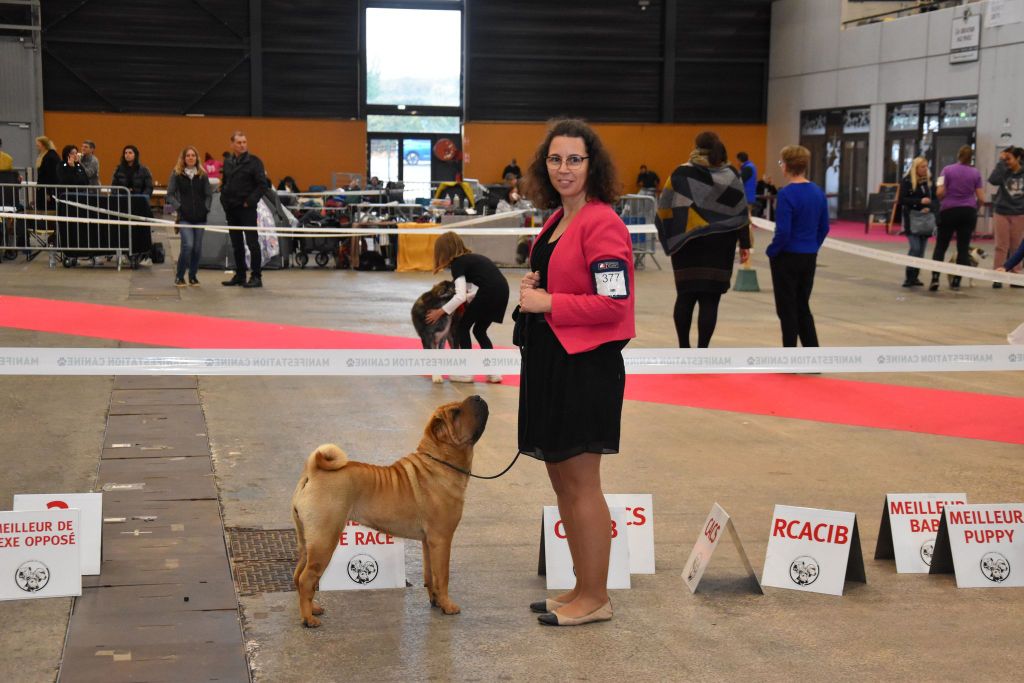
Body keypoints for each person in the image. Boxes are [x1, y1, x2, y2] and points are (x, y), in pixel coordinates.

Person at [518, 118, 635, 627]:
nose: (564, 168)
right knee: (563, 479)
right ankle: (581, 587)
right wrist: (535, 283)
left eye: (574, 159)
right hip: (552, 360)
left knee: (583, 484)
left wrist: (549, 301)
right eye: (555, 159)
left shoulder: (601, 220)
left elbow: (615, 303)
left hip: (585, 366)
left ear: (593, 165)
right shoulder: (558, 219)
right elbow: (567, 277)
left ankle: (597, 598)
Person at [657, 132, 751, 348]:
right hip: (721, 245)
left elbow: (665, 208)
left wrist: (672, 234)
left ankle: (684, 349)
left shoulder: (681, 174)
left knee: (685, 297)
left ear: (696, 146)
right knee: (711, 300)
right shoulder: (730, 174)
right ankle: (703, 352)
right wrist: (744, 243)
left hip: (686, 245)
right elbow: (740, 211)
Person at [426, 231, 510, 384]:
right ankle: (493, 372)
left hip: (489, 292)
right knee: (479, 331)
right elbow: (468, 292)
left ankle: (466, 372)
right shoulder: (470, 260)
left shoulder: (458, 264)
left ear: (444, 252)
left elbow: (460, 296)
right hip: (503, 291)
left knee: (463, 328)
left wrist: (440, 311)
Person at [766, 145, 829, 347]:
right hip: (809, 256)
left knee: (786, 309)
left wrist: (773, 251)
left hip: (787, 256)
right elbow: (824, 227)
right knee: (802, 305)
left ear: (786, 166)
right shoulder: (818, 192)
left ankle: (789, 356)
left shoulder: (786, 194)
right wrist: (812, 246)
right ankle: (812, 355)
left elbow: (783, 231)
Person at [932, 145, 986, 291]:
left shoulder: (946, 170)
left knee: (941, 246)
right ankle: (957, 280)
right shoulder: (976, 173)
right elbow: (981, 197)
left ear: (958, 155)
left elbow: (939, 193)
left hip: (949, 211)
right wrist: (975, 208)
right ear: (971, 157)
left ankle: (935, 278)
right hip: (968, 212)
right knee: (963, 248)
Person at [220, 130, 268, 288]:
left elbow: (263, 185)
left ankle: (256, 276)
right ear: (232, 144)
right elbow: (225, 181)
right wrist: (224, 199)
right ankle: (240, 275)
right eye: (239, 142)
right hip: (231, 208)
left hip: (247, 208)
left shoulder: (255, 162)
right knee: (236, 243)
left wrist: (250, 201)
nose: (242, 145)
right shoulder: (228, 162)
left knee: (252, 243)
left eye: (244, 142)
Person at [167, 145, 212, 287]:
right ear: (184, 158)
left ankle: (193, 276)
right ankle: (180, 276)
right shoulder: (176, 174)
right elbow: (169, 195)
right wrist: (179, 207)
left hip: (200, 217)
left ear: (196, 158)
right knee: (188, 246)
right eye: (188, 155)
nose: (190, 158)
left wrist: (206, 208)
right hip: (184, 217)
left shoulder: (203, 175)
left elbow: (208, 195)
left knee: (197, 248)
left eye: (193, 155)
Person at [988, 146, 1024, 288]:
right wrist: (1001, 162)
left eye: (1009, 159)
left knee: (1017, 245)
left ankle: (1015, 275)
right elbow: (993, 180)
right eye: (1005, 159)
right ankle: (998, 275)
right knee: (1001, 246)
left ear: (1018, 158)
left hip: (1020, 212)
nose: (1007, 162)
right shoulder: (1003, 171)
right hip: (1001, 211)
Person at [898, 157, 937, 287]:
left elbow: (935, 200)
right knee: (915, 248)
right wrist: (919, 202)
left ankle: (915, 277)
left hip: (925, 219)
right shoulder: (907, 181)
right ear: (915, 168)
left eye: (926, 166)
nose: (925, 169)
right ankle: (908, 277)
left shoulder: (929, 182)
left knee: (921, 251)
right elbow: (902, 200)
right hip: (912, 218)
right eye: (922, 167)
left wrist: (929, 207)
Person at [34, 136, 61, 210]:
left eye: (38, 145)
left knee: (48, 209)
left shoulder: (50, 157)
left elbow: (52, 176)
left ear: (43, 145)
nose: (37, 147)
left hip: (47, 190)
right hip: (43, 188)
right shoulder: (45, 155)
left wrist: (48, 192)